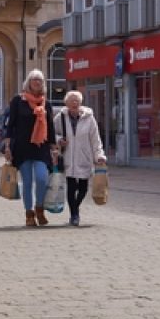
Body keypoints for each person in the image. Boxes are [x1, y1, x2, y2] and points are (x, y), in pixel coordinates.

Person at [3, 69, 56, 227]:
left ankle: (39, 208)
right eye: (34, 79)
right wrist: (7, 147)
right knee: (27, 182)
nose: (37, 82)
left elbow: (51, 127)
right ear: (28, 82)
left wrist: (54, 148)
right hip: (22, 146)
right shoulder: (18, 101)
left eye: (40, 80)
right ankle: (29, 214)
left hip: (41, 146)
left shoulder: (46, 103)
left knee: (41, 179)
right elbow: (10, 125)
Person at [54, 90, 106, 227]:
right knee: (71, 187)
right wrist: (59, 140)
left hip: (84, 157)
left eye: (77, 100)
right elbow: (52, 134)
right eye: (71, 100)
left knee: (83, 188)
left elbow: (96, 139)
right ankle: (74, 215)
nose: (74, 102)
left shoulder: (89, 118)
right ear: (66, 103)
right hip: (68, 157)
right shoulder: (60, 118)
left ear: (81, 103)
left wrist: (99, 155)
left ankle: (75, 207)